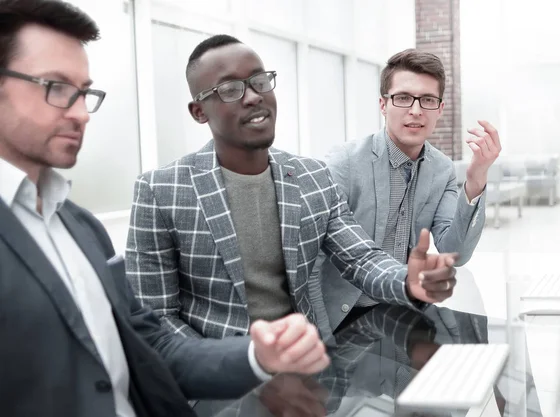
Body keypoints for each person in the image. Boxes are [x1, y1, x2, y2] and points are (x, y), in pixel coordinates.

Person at [0, 2, 326, 416]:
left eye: (85, 93)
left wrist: (257, 357)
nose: (81, 113)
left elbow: (151, 345)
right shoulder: (160, 189)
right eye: (56, 87)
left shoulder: (80, 227)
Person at [125, 34, 459, 360]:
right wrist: (245, 364)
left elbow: (360, 259)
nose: (253, 96)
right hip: (218, 386)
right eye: (230, 89)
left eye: (259, 81)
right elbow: (155, 319)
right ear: (199, 111)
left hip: (309, 369)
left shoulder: (311, 176)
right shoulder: (160, 191)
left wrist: (408, 282)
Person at [312, 49, 501, 334]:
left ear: (440, 108)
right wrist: (320, 338)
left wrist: (476, 178)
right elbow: (312, 260)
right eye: (402, 98)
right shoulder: (345, 162)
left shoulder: (442, 169)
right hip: (345, 317)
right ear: (383, 104)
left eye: (427, 100)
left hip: (406, 314)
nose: (415, 111)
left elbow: (456, 253)